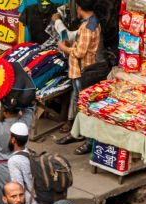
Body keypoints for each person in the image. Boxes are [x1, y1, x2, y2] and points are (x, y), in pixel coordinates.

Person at [55, 0, 100, 152]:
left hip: (82, 72)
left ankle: (87, 140)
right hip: (80, 71)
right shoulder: (92, 22)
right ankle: (77, 133)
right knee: (78, 102)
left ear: (80, 8)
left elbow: (80, 53)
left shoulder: (88, 27)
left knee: (84, 105)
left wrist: (64, 48)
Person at [6, 123, 47, 204]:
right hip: (42, 198)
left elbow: (18, 187)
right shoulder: (31, 151)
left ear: (13, 140)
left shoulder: (14, 161)